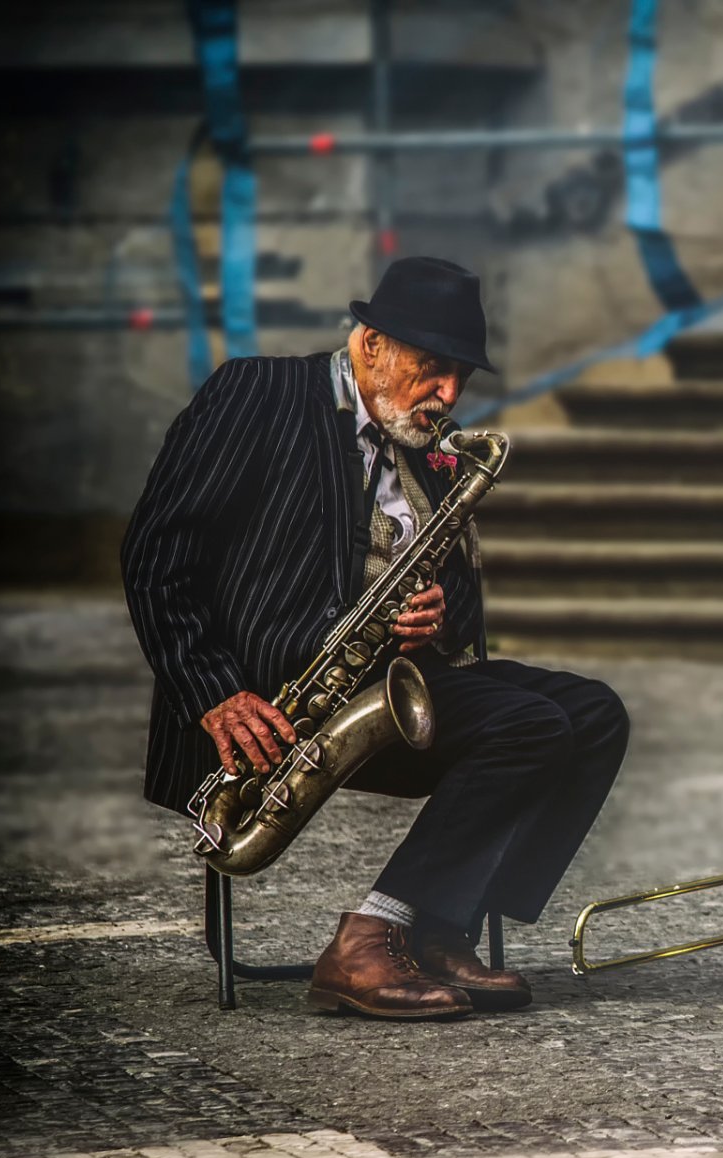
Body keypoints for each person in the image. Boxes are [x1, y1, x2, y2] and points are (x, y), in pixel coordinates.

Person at [122, 257, 629, 1021]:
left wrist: (436, 614)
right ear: (372, 345)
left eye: (461, 375)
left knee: (595, 715)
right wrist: (216, 694)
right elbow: (156, 554)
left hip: (380, 688)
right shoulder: (258, 393)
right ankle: (371, 935)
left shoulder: (428, 446)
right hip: (271, 696)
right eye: (434, 369)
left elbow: (455, 605)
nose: (450, 394)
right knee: (531, 724)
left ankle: (436, 924)